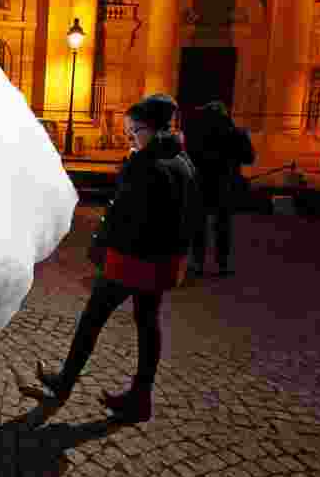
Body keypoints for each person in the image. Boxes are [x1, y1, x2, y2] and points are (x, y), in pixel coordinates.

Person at [36, 94, 201, 423]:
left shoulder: (145, 163)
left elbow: (123, 213)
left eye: (132, 131)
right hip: (163, 261)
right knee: (148, 324)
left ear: (150, 129)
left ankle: (64, 382)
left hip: (132, 259)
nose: (130, 138)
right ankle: (142, 397)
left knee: (92, 318)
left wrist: (101, 248)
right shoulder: (183, 161)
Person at [185, 100, 255, 276]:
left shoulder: (196, 131)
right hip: (225, 182)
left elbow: (188, 157)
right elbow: (249, 157)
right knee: (222, 224)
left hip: (200, 182)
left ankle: (197, 262)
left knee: (199, 224)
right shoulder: (234, 132)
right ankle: (221, 263)